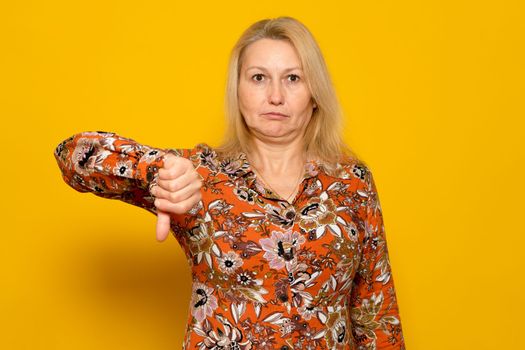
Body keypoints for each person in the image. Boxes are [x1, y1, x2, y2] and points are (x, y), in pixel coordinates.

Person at [54, 16, 405, 350]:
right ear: (237, 90)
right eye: (258, 77)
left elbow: (377, 314)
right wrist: (155, 168)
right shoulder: (198, 174)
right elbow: (73, 156)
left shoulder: (352, 181)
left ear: (315, 93)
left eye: (293, 78)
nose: (276, 96)